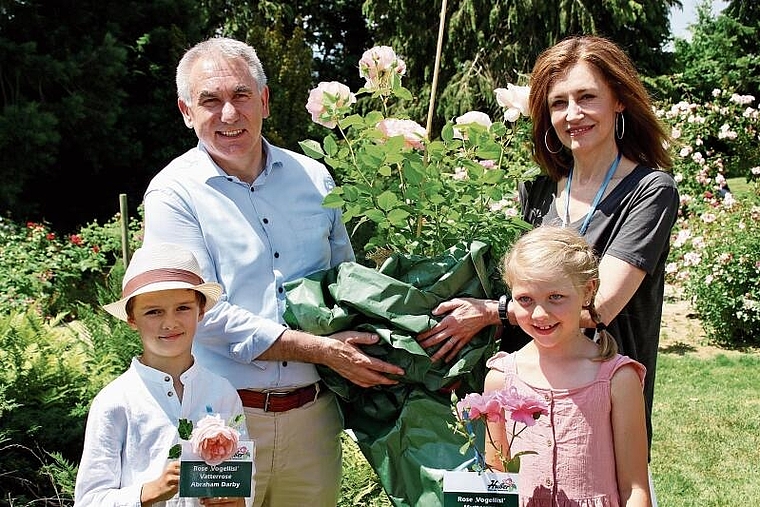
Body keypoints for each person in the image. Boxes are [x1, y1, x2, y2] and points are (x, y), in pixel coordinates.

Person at [141, 36, 405, 507]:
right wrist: (322, 350)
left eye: (241, 95)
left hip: (313, 419)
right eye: (210, 101)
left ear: (263, 99)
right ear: (186, 111)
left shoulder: (314, 178)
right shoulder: (172, 195)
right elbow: (194, 312)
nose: (229, 114)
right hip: (217, 421)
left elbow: (343, 280)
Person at [417, 35, 678, 456]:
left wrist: (489, 313)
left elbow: (599, 309)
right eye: (559, 103)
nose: (573, 114)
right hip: (524, 403)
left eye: (587, 97)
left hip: (602, 403)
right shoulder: (538, 191)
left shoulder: (648, 191)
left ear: (619, 101)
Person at [483, 225, 652, 506]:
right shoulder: (500, 380)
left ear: (588, 291)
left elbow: (634, 489)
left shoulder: (617, 379)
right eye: (525, 299)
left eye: (556, 297)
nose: (540, 313)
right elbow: (497, 477)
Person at [74, 243, 249, 507]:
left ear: (201, 311)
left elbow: (246, 479)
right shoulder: (115, 401)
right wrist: (149, 491)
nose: (170, 323)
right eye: (153, 311)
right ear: (132, 319)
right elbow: (89, 500)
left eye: (183, 308)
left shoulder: (223, 393)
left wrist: (239, 500)